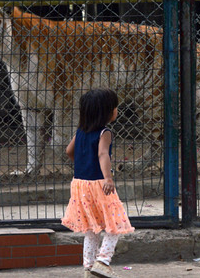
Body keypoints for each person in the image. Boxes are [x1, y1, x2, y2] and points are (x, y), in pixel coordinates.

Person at [61, 89, 134, 278]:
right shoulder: (105, 132)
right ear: (108, 112)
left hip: (79, 184)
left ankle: (88, 268)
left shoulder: (81, 132)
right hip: (99, 184)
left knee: (91, 229)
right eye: (115, 107)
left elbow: (69, 151)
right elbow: (103, 154)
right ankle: (103, 261)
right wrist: (108, 178)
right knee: (115, 223)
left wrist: (83, 164)